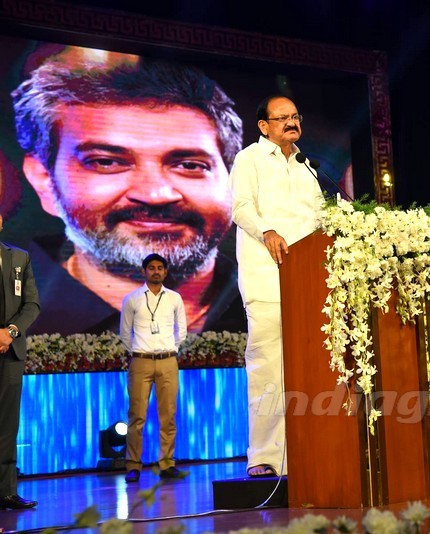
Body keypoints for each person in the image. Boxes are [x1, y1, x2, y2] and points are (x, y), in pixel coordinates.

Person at [11, 46, 245, 335]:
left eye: (188, 165)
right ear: (44, 180)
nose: (155, 194)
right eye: (107, 162)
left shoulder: (282, 301)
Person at [230, 95, 324, 477]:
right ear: (263, 126)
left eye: (295, 116)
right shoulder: (248, 159)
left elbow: (320, 219)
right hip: (267, 279)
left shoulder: (307, 166)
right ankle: (266, 457)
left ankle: (307, 451)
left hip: (308, 283)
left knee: (310, 370)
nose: (291, 122)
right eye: (282, 117)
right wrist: (266, 230)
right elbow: (240, 207)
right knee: (269, 369)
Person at [120, 253, 188, 483]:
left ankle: (167, 463)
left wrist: (170, 349)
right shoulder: (132, 299)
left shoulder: (175, 298)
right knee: (137, 416)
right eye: (151, 268)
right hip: (140, 360)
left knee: (168, 415)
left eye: (160, 268)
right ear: (144, 271)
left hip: (168, 360)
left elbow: (182, 331)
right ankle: (133, 465)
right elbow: (125, 334)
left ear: (166, 272)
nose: (156, 271)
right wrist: (140, 351)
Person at [0, 214, 40, 509]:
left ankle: (6, 492)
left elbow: (31, 304)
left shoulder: (19, 257)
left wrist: (9, 333)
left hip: (10, 352)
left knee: (7, 426)